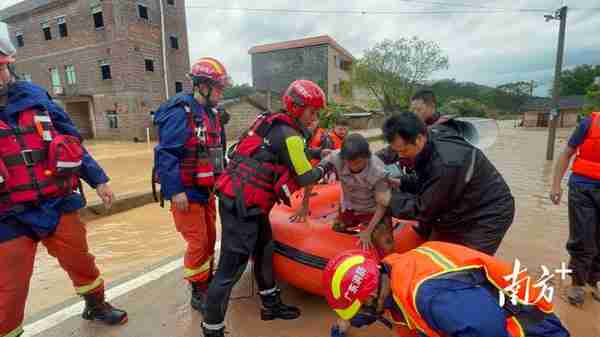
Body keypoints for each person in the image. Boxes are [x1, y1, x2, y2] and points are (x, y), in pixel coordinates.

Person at [0, 22, 126, 337]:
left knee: (80, 260)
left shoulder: (36, 96)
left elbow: (71, 142)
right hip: (7, 214)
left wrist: (98, 179)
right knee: (8, 289)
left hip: (57, 201)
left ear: (8, 65)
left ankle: (96, 305)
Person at [201, 80, 330, 337]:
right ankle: (212, 329)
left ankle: (270, 305)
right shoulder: (290, 134)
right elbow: (305, 176)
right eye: (312, 112)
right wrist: (328, 163)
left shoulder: (274, 124)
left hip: (245, 201)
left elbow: (286, 152)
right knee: (230, 270)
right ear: (296, 107)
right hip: (242, 205)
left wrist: (316, 151)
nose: (314, 118)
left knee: (264, 249)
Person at [323, 244, 570, 337]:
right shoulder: (395, 274)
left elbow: (489, 330)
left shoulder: (430, 295)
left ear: (369, 295)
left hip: (533, 331)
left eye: (358, 312)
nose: (363, 319)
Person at [153, 57, 229, 313]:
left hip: (206, 190)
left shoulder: (213, 115)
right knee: (198, 241)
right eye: (217, 87)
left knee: (210, 238)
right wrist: (175, 191)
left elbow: (220, 152)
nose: (220, 92)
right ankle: (198, 291)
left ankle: (205, 279)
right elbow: (166, 155)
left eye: (221, 88)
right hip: (185, 191)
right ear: (202, 86)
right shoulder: (180, 113)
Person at [385, 112, 514, 255]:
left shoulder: (446, 164)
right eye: (397, 151)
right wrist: (400, 182)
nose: (400, 156)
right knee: (434, 248)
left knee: (466, 264)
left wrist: (389, 199)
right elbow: (427, 180)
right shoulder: (432, 136)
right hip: (460, 201)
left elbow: (423, 209)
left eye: (404, 150)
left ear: (419, 139)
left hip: (489, 212)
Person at [295, 133, 393, 256]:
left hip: (373, 210)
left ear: (367, 157)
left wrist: (368, 231)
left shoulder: (378, 170)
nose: (354, 167)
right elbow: (312, 177)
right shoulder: (336, 157)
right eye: (350, 163)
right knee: (335, 232)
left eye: (358, 163)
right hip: (349, 206)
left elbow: (382, 204)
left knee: (386, 245)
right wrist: (305, 204)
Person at [550, 111, 600, 306]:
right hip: (583, 188)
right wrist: (556, 185)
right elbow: (567, 153)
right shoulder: (590, 122)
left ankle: (593, 280)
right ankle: (577, 282)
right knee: (583, 237)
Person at [376, 89, 451, 173]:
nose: (415, 113)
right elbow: (398, 145)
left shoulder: (444, 127)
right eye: (413, 110)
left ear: (432, 106)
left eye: (419, 109)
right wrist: (372, 158)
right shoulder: (414, 123)